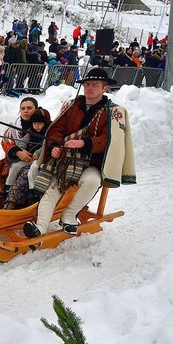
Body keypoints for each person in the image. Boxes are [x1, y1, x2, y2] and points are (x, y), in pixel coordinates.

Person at [24, 68, 136, 237]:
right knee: (52, 191)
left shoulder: (113, 112)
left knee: (92, 180)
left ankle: (68, 216)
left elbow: (109, 140)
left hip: (91, 162)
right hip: (66, 160)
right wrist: (55, 146)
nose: (89, 88)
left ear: (105, 88)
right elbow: (56, 130)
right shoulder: (71, 105)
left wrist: (84, 143)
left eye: (95, 85)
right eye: (87, 84)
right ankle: (39, 229)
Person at [2, 109, 51, 206]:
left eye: (39, 123)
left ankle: (33, 191)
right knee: (15, 166)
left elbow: (49, 144)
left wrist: (39, 152)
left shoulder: (49, 132)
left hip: (41, 159)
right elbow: (23, 141)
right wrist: (21, 149)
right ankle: (8, 186)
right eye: (34, 123)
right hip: (29, 157)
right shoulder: (30, 131)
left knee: (33, 169)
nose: (36, 126)